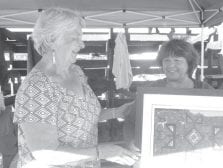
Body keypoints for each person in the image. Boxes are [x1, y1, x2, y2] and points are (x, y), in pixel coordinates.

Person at [13, 7, 138, 168]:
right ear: (52, 39)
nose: (82, 44)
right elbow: (45, 153)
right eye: (75, 38)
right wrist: (102, 152)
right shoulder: (36, 88)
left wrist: (117, 112)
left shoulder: (76, 72)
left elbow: (80, 117)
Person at [123, 39, 212, 148]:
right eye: (167, 60)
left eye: (177, 60)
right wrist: (132, 142)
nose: (171, 65)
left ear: (189, 63)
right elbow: (131, 122)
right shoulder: (152, 91)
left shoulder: (205, 90)